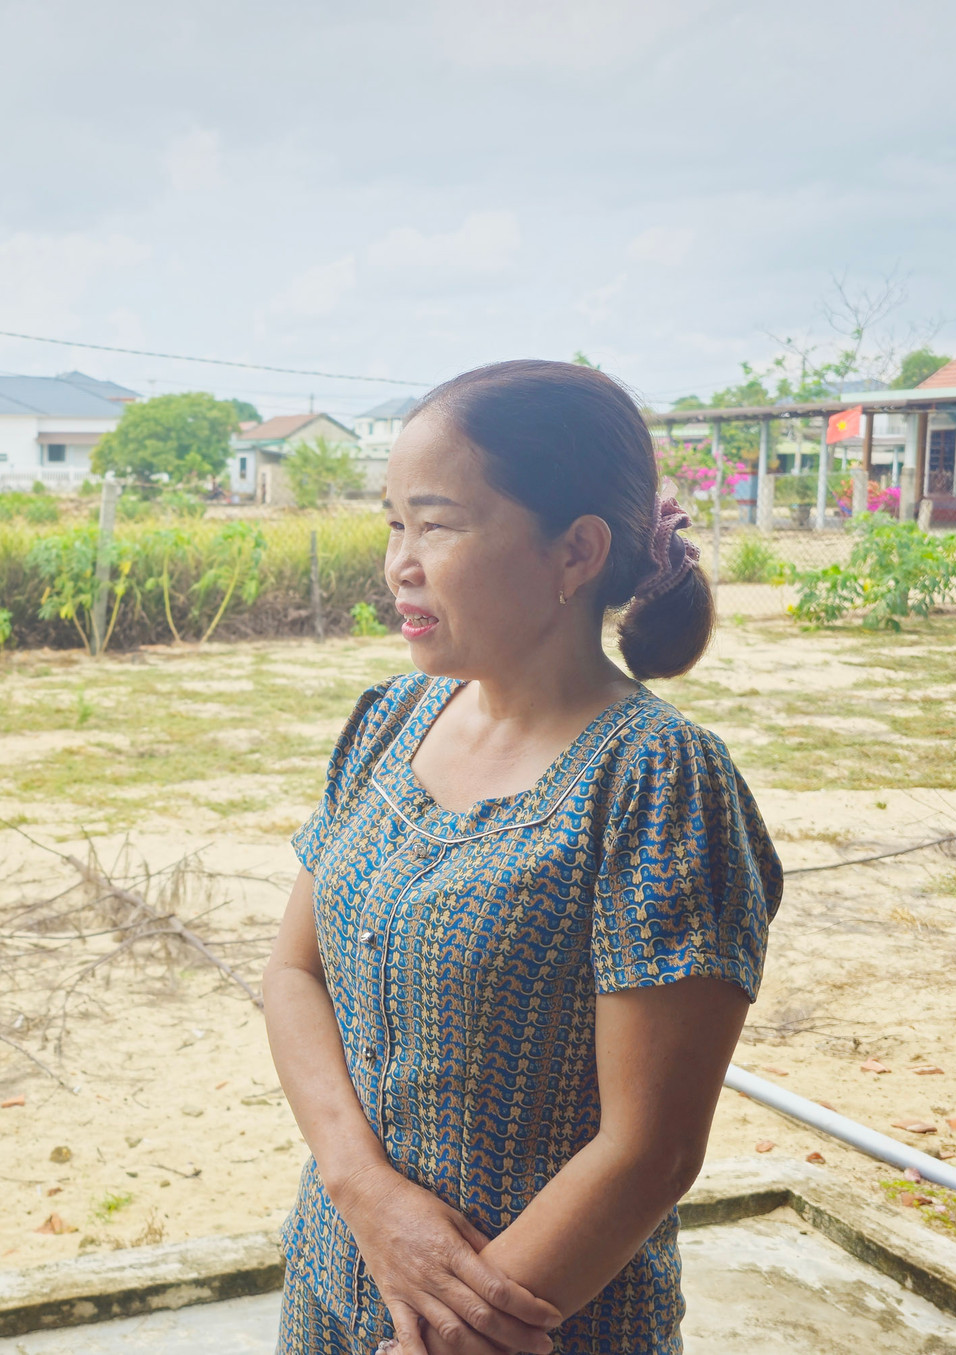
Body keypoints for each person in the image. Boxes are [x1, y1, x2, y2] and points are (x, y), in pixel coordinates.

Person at [263, 360, 781, 1355]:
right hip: (335, 1278)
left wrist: (457, 1332)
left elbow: (650, 1145)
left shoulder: (654, 779)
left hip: (529, 1327)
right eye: (390, 524)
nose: (398, 563)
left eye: (437, 523)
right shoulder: (390, 717)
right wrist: (361, 1191)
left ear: (574, 550)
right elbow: (292, 972)